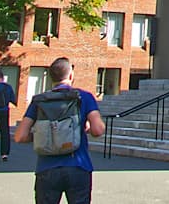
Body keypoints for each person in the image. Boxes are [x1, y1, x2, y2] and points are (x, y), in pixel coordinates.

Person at [14, 57, 106, 204]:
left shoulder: (39, 100)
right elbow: (98, 130)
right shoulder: (84, 97)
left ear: (51, 78)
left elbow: (20, 136)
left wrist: (42, 135)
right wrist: (84, 128)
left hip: (46, 167)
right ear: (71, 75)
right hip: (78, 165)